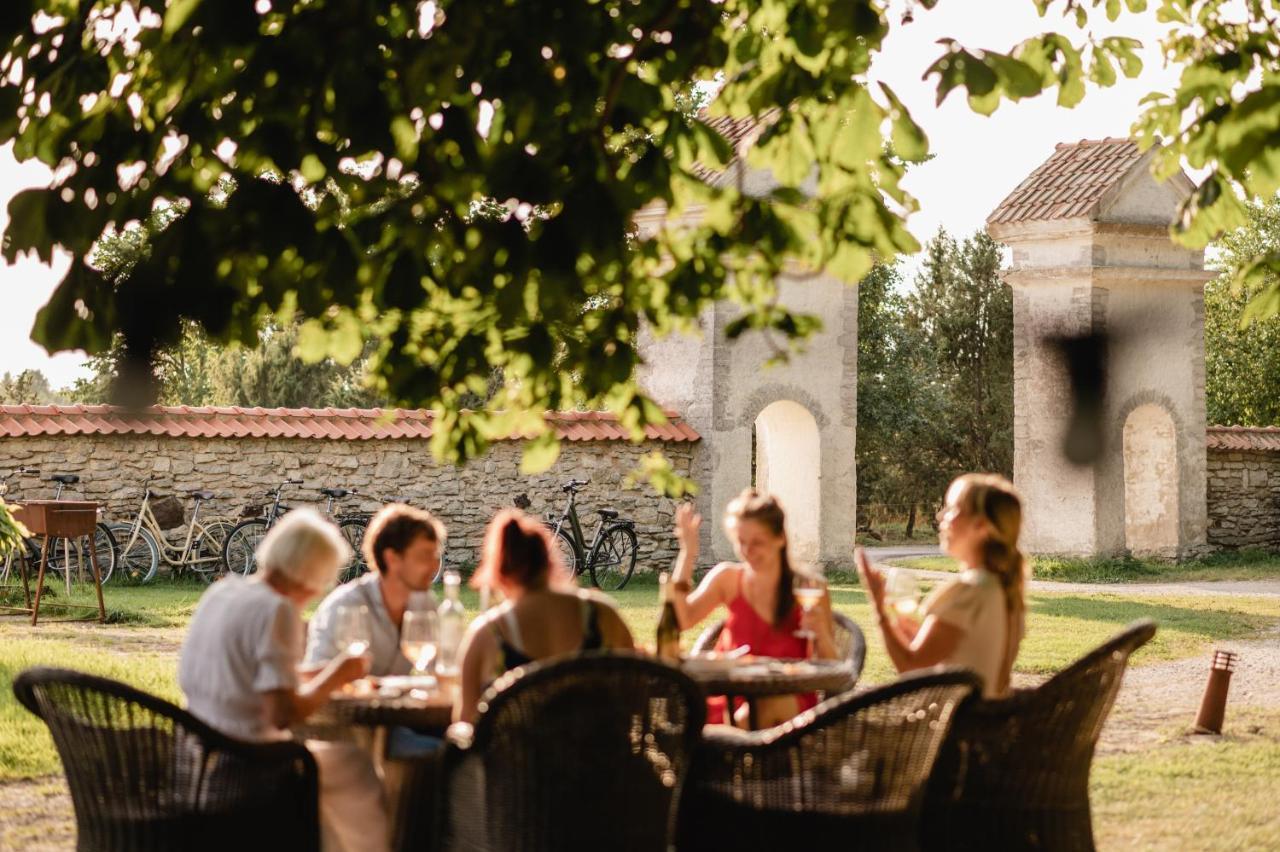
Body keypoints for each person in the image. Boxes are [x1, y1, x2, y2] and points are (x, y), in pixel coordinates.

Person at [178, 508, 388, 852]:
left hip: (198, 752)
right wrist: (336, 676)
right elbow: (283, 713)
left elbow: (247, 672)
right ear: (311, 574)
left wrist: (318, 672)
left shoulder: (223, 593)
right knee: (356, 766)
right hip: (250, 763)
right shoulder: (278, 610)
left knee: (333, 788)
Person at [669, 489, 838, 729]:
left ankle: (727, 752)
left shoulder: (809, 588)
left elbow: (833, 672)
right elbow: (680, 620)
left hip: (786, 704)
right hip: (728, 698)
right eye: (741, 542)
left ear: (780, 538)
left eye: (757, 542)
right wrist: (688, 554)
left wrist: (821, 633)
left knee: (762, 709)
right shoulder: (728, 578)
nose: (748, 552)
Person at [453, 508, 635, 724]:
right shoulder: (603, 614)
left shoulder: (488, 633)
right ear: (549, 561)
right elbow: (636, 693)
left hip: (519, 756)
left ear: (500, 575)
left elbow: (464, 721)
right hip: (601, 755)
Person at [856, 473, 1027, 699]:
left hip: (950, 728)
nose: (940, 516)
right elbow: (955, 657)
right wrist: (914, 634)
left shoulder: (969, 590)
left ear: (981, 526)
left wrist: (879, 609)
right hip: (985, 726)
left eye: (952, 509)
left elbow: (911, 667)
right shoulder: (1003, 589)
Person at [304, 503, 445, 676]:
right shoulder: (344, 606)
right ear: (392, 558)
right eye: (424, 556)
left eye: (435, 556)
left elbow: (443, 668)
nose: (434, 566)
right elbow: (314, 679)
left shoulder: (425, 604)